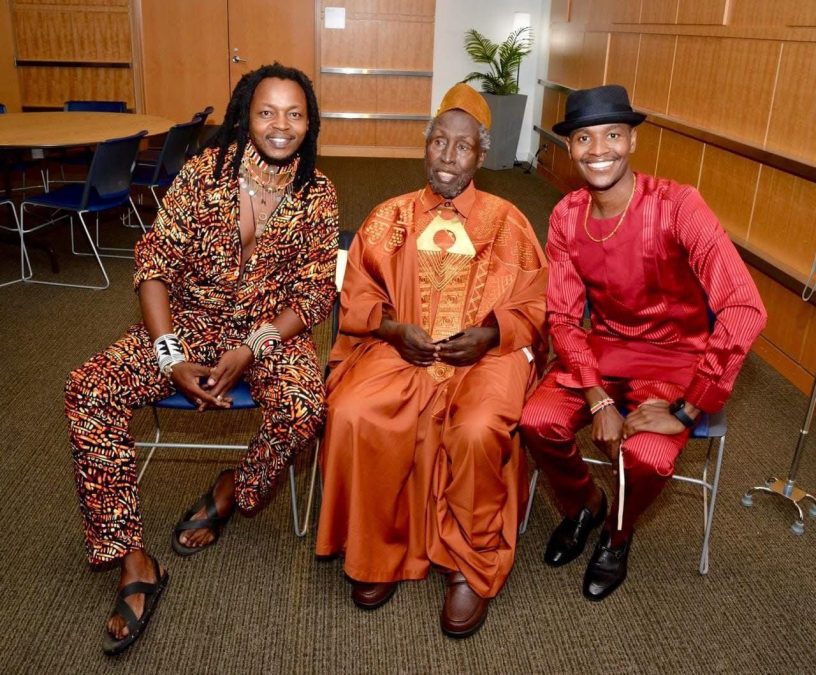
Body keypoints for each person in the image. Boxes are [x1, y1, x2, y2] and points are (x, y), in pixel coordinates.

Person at [64, 63, 338, 655]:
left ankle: (233, 488)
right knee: (89, 390)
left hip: (267, 334)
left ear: (310, 121)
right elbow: (154, 263)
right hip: (183, 324)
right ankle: (136, 562)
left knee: (304, 403)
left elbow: (317, 291)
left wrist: (253, 346)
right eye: (267, 112)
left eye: (295, 113)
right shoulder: (201, 174)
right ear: (246, 114)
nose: (281, 126)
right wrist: (169, 356)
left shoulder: (318, 194)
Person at [315, 83, 549, 638]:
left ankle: (469, 566)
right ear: (425, 148)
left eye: (462, 146)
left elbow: (536, 302)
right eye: (438, 142)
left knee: (476, 427)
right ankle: (375, 551)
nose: (448, 155)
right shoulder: (388, 216)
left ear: (480, 155)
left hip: (483, 358)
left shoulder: (509, 221)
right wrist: (393, 329)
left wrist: (492, 334)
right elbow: (361, 292)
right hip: (402, 350)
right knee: (352, 409)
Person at [520, 84, 767, 601]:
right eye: (584, 138)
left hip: (676, 360)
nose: (599, 149)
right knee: (536, 421)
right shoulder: (567, 215)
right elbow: (563, 318)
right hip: (602, 351)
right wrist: (598, 397)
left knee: (651, 456)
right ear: (570, 149)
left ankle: (619, 533)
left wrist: (686, 409)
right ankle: (585, 505)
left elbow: (745, 308)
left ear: (631, 140)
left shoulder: (680, 206)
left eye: (612, 135)